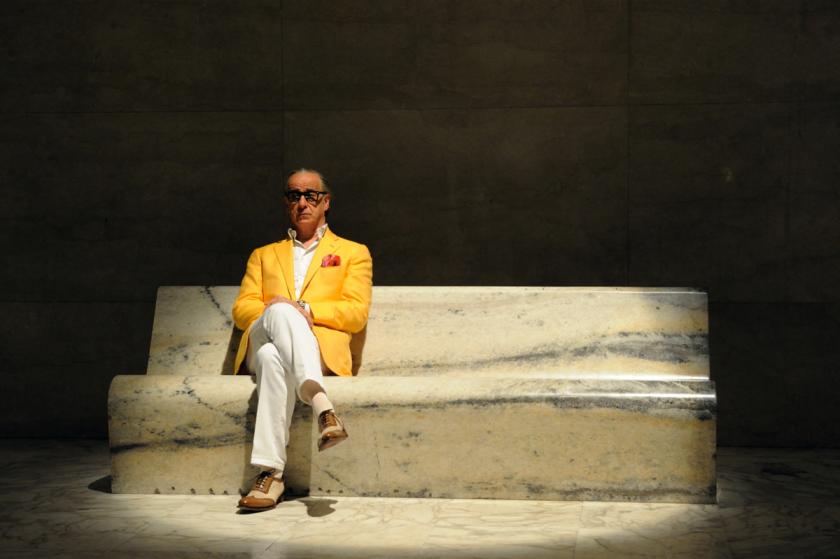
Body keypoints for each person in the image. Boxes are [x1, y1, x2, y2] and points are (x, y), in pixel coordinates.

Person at [231, 168, 373, 512]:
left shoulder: (353, 252)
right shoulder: (263, 254)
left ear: (326, 202)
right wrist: (282, 309)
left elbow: (356, 313)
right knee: (280, 314)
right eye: (295, 195)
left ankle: (270, 475)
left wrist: (306, 309)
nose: (303, 202)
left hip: (318, 349)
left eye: (311, 195)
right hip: (264, 333)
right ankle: (322, 405)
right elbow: (242, 309)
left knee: (272, 358)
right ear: (287, 203)